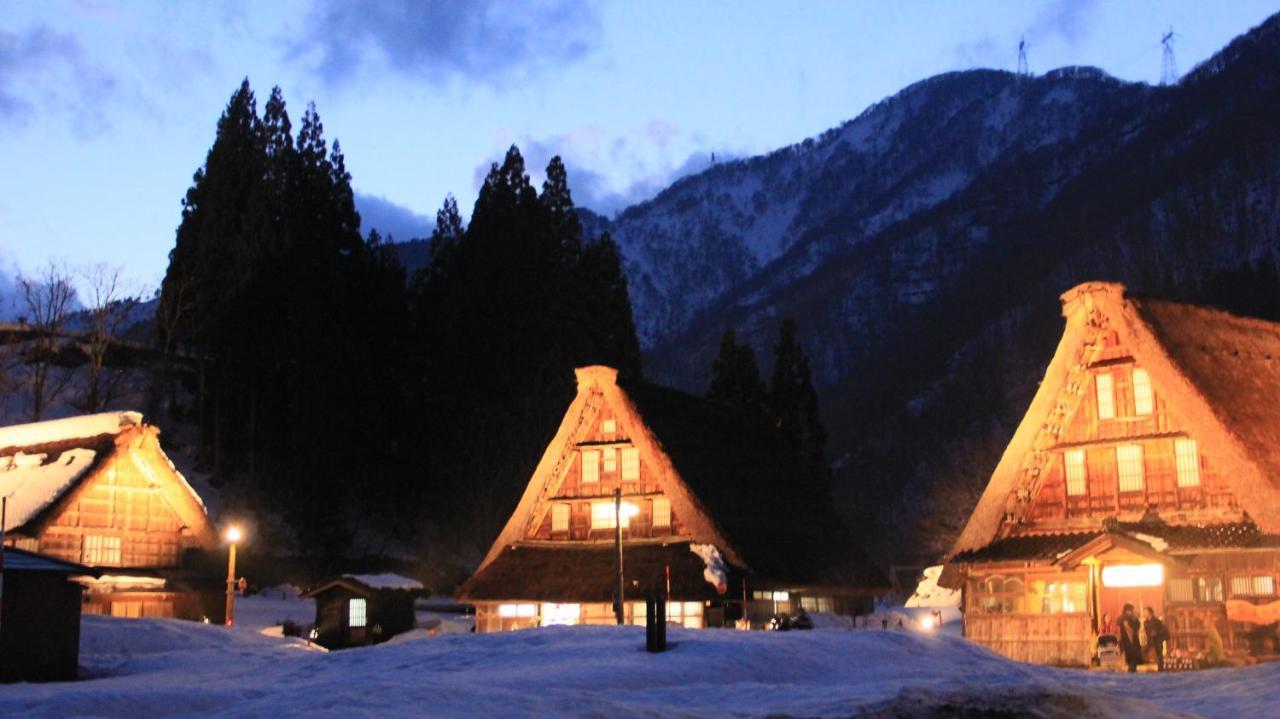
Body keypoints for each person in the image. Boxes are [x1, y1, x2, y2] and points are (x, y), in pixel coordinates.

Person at [1118, 603, 1144, 673]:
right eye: (1130, 610)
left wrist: (1130, 629)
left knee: (1133, 655)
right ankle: (1131, 668)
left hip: (1133, 639)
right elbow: (1119, 622)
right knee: (1130, 655)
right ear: (1127, 610)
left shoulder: (1133, 617)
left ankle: (1132, 668)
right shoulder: (1123, 617)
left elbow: (1138, 625)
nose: (1131, 611)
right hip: (1127, 640)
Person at [1144, 607, 1170, 671]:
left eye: (1145, 612)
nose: (1144, 613)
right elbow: (1147, 632)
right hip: (1150, 640)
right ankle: (1148, 666)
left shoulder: (1157, 621)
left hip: (1158, 640)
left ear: (1149, 613)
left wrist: (1157, 633)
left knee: (1159, 654)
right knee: (1144, 651)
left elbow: (1164, 630)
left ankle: (1160, 669)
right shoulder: (1146, 622)